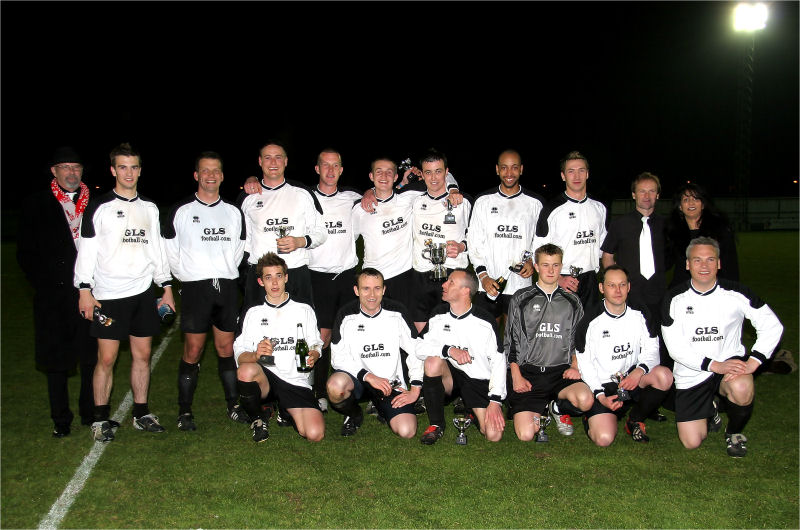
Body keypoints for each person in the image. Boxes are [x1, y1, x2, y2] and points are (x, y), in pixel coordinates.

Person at [74, 142, 175, 442]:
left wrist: (166, 287)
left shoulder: (150, 208)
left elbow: (158, 251)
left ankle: (141, 413)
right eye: (122, 167)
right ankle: (100, 419)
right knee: (106, 359)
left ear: (140, 170)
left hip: (143, 294)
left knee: (142, 355)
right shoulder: (99, 207)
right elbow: (86, 251)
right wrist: (84, 289)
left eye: (133, 167)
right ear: (113, 170)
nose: (128, 173)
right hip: (108, 295)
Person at [661, 237, 783, 457]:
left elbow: (772, 325)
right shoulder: (674, 298)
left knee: (742, 388)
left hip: (729, 366)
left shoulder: (737, 293)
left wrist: (754, 361)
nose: (704, 266)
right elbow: (675, 348)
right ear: (687, 264)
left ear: (719, 263)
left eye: (710, 260)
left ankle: (734, 432)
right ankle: (711, 409)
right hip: (693, 372)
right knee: (691, 442)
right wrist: (713, 365)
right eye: (697, 260)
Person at [163, 151, 248, 431]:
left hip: (225, 287)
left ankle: (233, 404)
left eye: (216, 171)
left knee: (226, 348)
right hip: (195, 288)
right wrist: (190, 276)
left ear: (222, 176)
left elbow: (239, 249)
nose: (211, 176)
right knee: (194, 349)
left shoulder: (234, 212)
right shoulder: (182, 211)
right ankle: (184, 411)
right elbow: (171, 253)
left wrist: (222, 271)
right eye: (205, 171)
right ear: (197, 176)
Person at [17, 147, 97, 437]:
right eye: (65, 167)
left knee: (91, 357)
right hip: (54, 296)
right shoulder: (35, 204)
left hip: (91, 293)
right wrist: (46, 285)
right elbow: (26, 254)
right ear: (54, 171)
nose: (71, 173)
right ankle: (60, 420)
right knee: (56, 360)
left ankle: (91, 414)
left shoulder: (97, 204)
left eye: (76, 167)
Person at [575, 265, 674, 445]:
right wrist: (600, 395)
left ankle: (635, 419)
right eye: (611, 285)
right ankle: (591, 416)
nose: (618, 290)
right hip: (603, 386)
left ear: (629, 287)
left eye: (622, 285)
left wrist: (639, 370)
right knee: (603, 439)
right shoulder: (589, 320)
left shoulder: (641, 312)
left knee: (664, 376)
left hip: (632, 380)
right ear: (601, 288)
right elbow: (585, 364)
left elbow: (652, 349)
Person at [504, 243, 593, 441]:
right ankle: (541, 407)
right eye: (545, 265)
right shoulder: (521, 298)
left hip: (560, 373)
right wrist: (516, 375)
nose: (550, 270)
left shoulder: (572, 301)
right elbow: (511, 341)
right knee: (526, 434)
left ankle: (557, 406)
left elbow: (578, 339)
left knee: (586, 400)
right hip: (529, 374)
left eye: (555, 265)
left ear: (562, 267)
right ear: (536, 267)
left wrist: (575, 365)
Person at [233, 252, 324, 443]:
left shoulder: (303, 310)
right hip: (267, 377)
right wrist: (256, 354)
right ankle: (258, 419)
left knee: (314, 434)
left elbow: (316, 342)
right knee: (245, 371)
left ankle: (285, 410)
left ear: (286, 278)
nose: (274, 283)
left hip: (295, 380)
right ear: (260, 282)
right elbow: (240, 354)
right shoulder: (253, 313)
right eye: (268, 277)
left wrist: (314, 354)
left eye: (279, 276)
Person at [326, 268, 422, 438]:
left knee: (407, 431)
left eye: (377, 288)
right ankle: (354, 414)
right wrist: (368, 376)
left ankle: (381, 408)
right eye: (366, 288)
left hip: (389, 384)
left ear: (384, 290)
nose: (372, 294)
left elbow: (416, 350)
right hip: (358, 380)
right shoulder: (346, 315)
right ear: (356, 290)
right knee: (335, 387)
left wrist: (415, 389)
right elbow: (337, 357)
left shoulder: (396, 312)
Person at [416, 269, 506, 444]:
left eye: (450, 282)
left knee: (493, 435)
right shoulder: (438, 314)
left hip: (476, 379)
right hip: (450, 377)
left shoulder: (484, 322)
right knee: (432, 362)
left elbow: (499, 361)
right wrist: (449, 350)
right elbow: (418, 347)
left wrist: (495, 401)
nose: (443, 285)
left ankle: (471, 410)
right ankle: (436, 424)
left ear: (466, 290)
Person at [238, 140, 327, 314]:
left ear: (285, 161)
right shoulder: (247, 198)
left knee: (301, 331)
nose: (273, 163)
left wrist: (300, 241)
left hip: (295, 271)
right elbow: (244, 242)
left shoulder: (302, 193)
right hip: (260, 275)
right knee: (257, 332)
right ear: (260, 161)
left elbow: (321, 232)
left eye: (278, 158)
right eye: (268, 157)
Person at [305, 149, 363, 413]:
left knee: (352, 334)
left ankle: (356, 389)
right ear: (317, 169)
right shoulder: (305, 198)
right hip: (317, 276)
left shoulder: (354, 199)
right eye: (325, 165)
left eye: (335, 165)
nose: (330, 170)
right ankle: (317, 391)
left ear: (341, 169)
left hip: (347, 276)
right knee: (322, 337)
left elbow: (386, 198)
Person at [468, 149, 545, 327]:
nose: (509, 173)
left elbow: (540, 241)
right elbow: (474, 243)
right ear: (497, 169)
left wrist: (532, 261)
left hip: (520, 286)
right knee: (488, 342)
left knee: (516, 344)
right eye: (504, 168)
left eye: (514, 168)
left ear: (521, 169)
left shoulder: (536, 203)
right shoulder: (483, 201)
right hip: (488, 284)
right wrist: (484, 277)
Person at [409, 149, 472, 332]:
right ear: (421, 174)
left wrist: (461, 246)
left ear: (447, 172)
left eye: (438, 171)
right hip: (421, 274)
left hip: (452, 274)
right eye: (428, 172)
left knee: (452, 331)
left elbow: (477, 237)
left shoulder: (463, 202)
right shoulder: (414, 200)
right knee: (421, 332)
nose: (434, 177)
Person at [535, 151, 608, 309]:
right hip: (562, 280)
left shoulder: (599, 208)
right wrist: (559, 278)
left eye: (581, 170)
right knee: (562, 332)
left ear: (587, 174)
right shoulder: (551, 209)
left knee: (588, 331)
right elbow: (539, 250)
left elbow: (604, 247)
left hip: (591, 281)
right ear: (563, 176)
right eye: (571, 171)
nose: (577, 176)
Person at [666, 182, 739, 288]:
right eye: (686, 200)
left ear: (703, 204)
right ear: (680, 207)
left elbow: (731, 268)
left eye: (696, 199)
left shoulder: (719, 232)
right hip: (682, 292)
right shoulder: (673, 233)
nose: (691, 203)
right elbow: (664, 264)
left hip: (712, 291)